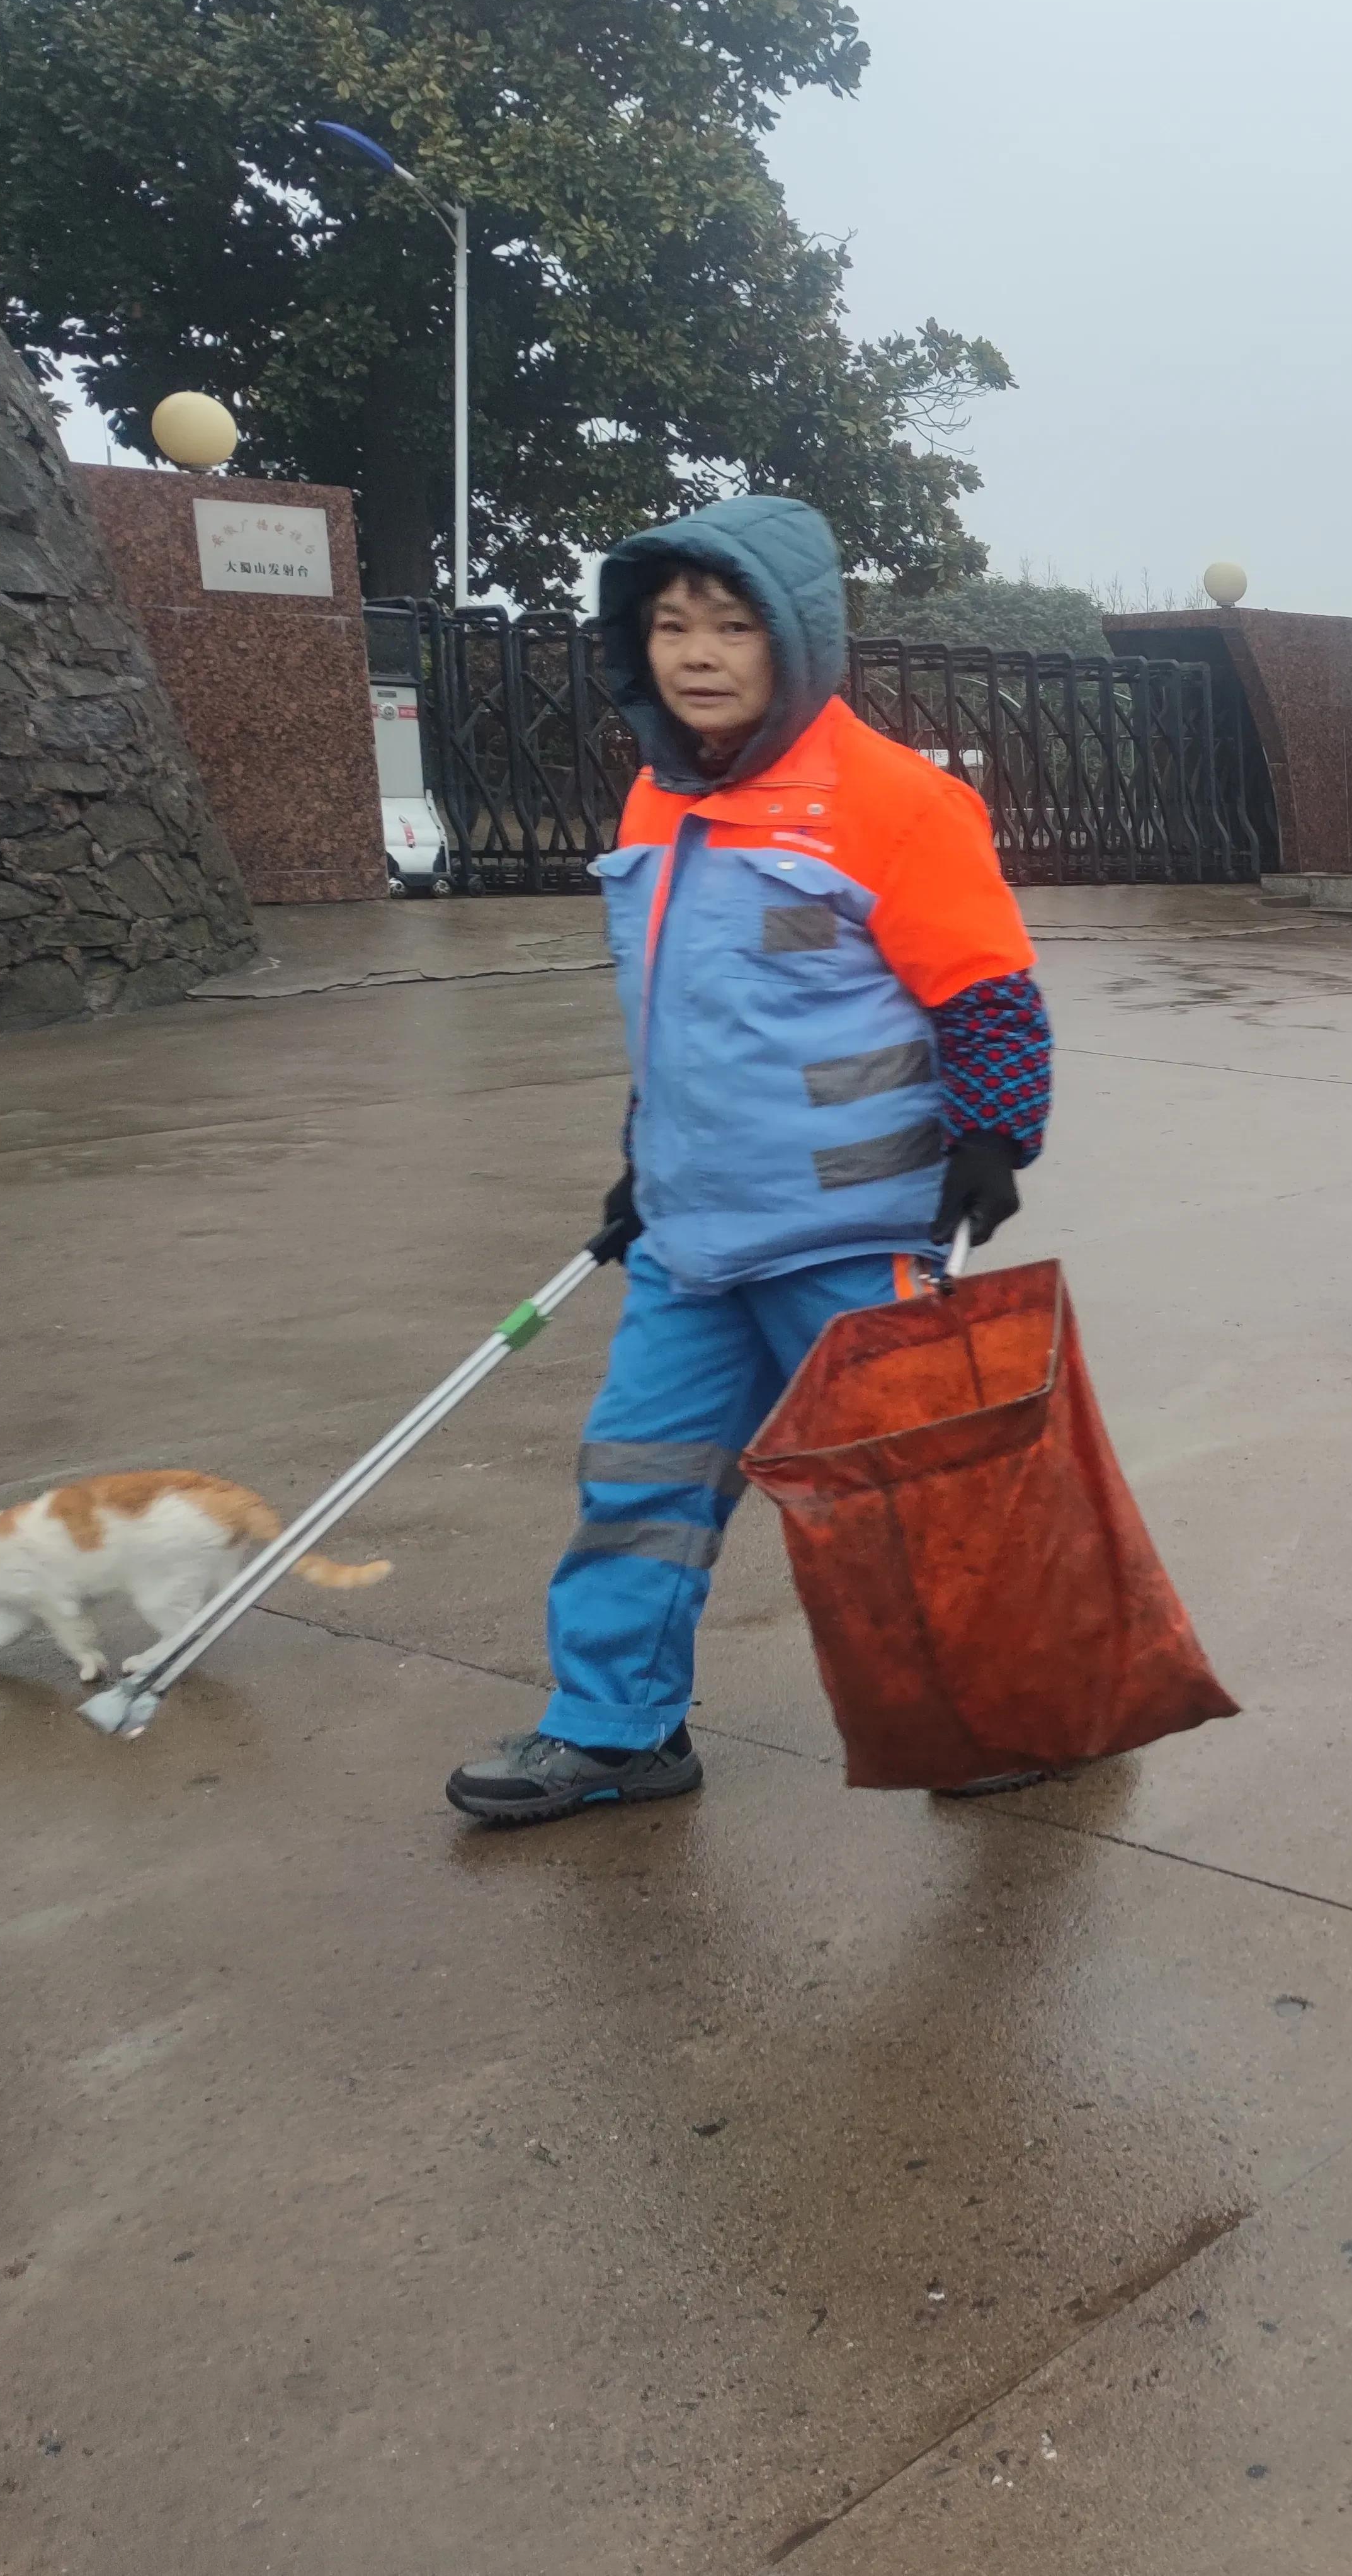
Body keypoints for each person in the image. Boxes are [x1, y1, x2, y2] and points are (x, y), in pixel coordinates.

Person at [444, 494, 1054, 1824]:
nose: (698, 653)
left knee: (904, 1499)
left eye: (730, 625)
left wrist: (993, 1134)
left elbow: (990, 996)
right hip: (690, 1237)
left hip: (853, 1234)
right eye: (671, 627)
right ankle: (616, 1729)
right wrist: (643, 1156)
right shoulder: (657, 797)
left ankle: (995, 1707)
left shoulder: (898, 801)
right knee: (637, 1481)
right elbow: (681, 1011)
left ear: (795, 636)